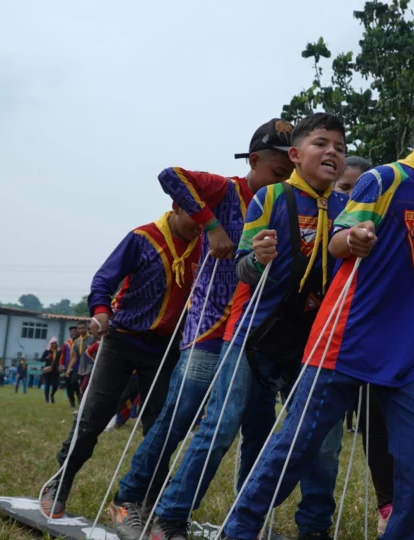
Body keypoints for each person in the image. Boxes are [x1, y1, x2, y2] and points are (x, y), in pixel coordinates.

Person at [221, 99, 414, 540]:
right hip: (345, 342)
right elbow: (339, 239)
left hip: (404, 354)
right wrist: (353, 237)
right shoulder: (382, 179)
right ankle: (238, 530)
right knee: (294, 449)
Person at [147, 113, 349, 540]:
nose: (332, 151)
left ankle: (314, 527)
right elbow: (242, 268)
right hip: (252, 333)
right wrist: (258, 256)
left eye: (339, 146)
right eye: (321, 143)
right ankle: (170, 516)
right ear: (295, 155)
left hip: (311, 340)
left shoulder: (346, 209)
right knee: (220, 425)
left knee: (324, 439)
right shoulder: (271, 198)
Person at [108, 119, 296, 538]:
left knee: (259, 430)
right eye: (278, 173)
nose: (283, 181)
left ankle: (249, 519)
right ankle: (128, 500)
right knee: (179, 419)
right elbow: (170, 177)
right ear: (254, 162)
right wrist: (212, 228)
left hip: (255, 334)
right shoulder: (227, 190)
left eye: (290, 173)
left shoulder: (287, 202)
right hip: (209, 328)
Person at [39, 207, 201, 519]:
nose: (204, 223)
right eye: (198, 215)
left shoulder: (207, 242)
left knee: (160, 425)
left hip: (167, 349)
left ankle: (148, 499)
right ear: (178, 208)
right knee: (94, 417)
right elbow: (104, 278)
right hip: (122, 340)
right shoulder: (142, 238)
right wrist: (100, 310)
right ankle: (60, 482)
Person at [68, 322, 95, 397]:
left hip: (91, 367)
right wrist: (69, 369)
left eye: (83, 328)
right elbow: (75, 356)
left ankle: (82, 405)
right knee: (82, 387)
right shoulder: (77, 342)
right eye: (79, 328)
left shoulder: (92, 339)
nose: (81, 330)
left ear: (86, 328)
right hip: (82, 368)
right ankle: (82, 403)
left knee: (84, 386)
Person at [63, 326, 81, 407]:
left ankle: (79, 397)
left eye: (74, 331)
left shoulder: (80, 342)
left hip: (77, 367)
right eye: (71, 332)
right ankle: (71, 401)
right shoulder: (66, 343)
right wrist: (61, 364)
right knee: (68, 385)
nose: (72, 333)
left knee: (74, 382)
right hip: (67, 367)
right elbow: (62, 355)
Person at [41, 337, 63, 404]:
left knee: (55, 385)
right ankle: (47, 399)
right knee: (47, 385)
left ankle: (52, 395)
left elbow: (61, 359)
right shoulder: (47, 351)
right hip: (47, 370)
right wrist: (46, 358)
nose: (54, 344)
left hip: (55, 371)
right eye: (52, 343)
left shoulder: (59, 351)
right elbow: (41, 359)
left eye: (55, 343)